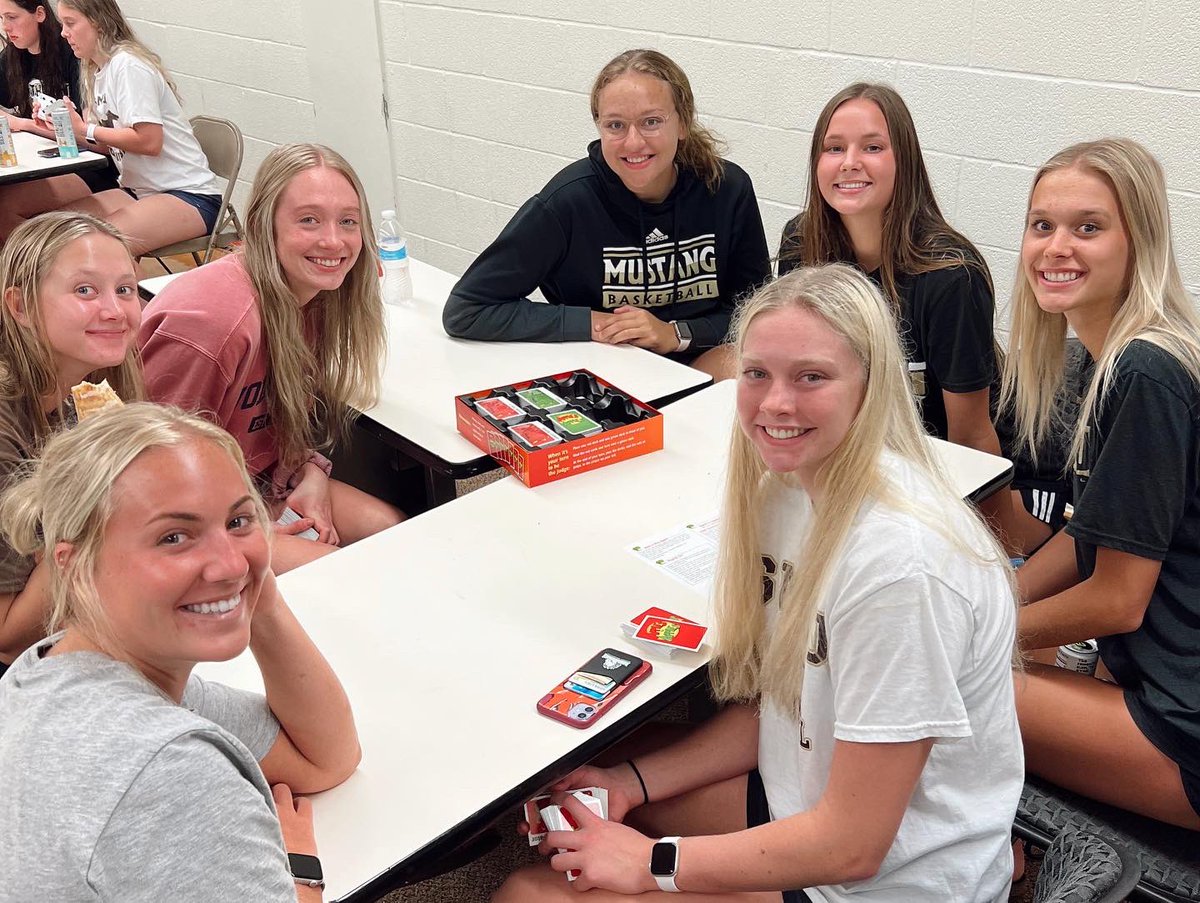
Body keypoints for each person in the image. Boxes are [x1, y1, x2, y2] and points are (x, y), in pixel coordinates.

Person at [495, 265, 1022, 901]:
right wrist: (630, 784)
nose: (775, 403)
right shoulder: (786, 494)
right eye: (756, 373)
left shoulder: (900, 570)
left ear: (872, 387)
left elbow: (851, 844)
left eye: (811, 377)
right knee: (594, 800)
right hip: (809, 803)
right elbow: (785, 706)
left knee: (529, 893)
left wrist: (655, 864)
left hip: (886, 880)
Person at [0, 403, 361, 900]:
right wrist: (297, 871)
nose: (229, 563)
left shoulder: (50, 666)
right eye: (174, 536)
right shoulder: (171, 773)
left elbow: (328, 759)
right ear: (74, 566)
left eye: (238, 521)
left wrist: (259, 594)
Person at [1005, 138, 1200, 830]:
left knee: (934, 676)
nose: (1057, 247)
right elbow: (1088, 533)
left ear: (1137, 242)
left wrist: (984, 632)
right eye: (1042, 225)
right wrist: (997, 595)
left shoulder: (1146, 371)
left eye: (1088, 227)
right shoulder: (1103, 355)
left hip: (1181, 730)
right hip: (1157, 680)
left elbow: (1118, 600)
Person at [777, 83, 1058, 555]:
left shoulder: (950, 275)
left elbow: (969, 437)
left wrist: (977, 549)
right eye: (833, 147)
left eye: (872, 147)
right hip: (869, 463)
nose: (850, 161)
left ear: (902, 160)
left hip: (973, 471)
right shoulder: (800, 246)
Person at [139, 143, 402, 573]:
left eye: (348, 222)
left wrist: (312, 472)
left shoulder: (314, 299)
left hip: (256, 483)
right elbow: (149, 474)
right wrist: (240, 529)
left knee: (392, 529)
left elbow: (276, 419)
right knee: (341, 573)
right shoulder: (213, 324)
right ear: (264, 224)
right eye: (309, 220)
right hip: (186, 513)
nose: (333, 240)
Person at [442, 48, 771, 381]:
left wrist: (674, 333)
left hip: (701, 360)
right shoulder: (567, 201)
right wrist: (595, 323)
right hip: (603, 371)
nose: (633, 142)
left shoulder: (726, 188)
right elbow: (467, 310)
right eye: (616, 125)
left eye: (651, 122)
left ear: (683, 123)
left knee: (753, 369)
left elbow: (758, 313)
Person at [0, 210, 142, 675]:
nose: (115, 310)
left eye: (124, 289)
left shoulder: (74, 392)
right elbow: (8, 634)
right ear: (20, 307)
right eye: (85, 290)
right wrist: (96, 500)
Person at [0, 0, 221, 254]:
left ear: (98, 23)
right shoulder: (96, 70)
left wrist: (84, 129)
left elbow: (150, 141)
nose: (63, 33)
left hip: (187, 194)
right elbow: (106, 147)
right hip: (136, 190)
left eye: (70, 23)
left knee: (93, 248)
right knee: (48, 233)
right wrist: (62, 127)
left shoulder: (128, 65)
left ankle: (137, 294)